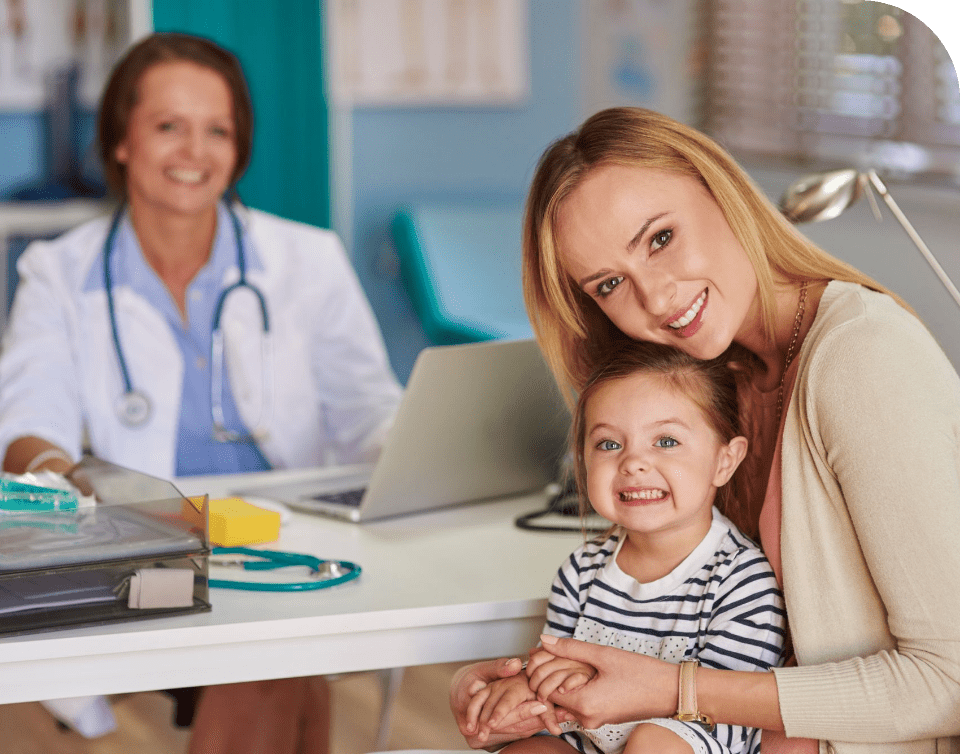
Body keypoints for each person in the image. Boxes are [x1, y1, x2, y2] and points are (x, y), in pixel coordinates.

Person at [451, 107, 960, 754]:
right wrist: (506, 685)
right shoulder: (705, 382)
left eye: (660, 238)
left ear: (722, 191)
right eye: (611, 284)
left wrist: (677, 690)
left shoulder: (863, 358)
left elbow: (951, 681)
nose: (658, 300)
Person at [0, 32, 402, 754]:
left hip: (284, 536)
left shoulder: (306, 260)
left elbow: (369, 411)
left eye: (217, 130)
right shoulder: (58, 274)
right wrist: (84, 489)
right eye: (168, 126)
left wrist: (409, 461)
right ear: (121, 141)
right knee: (278, 660)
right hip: (141, 542)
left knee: (272, 655)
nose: (195, 151)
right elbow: (28, 428)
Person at [471, 342, 785, 754]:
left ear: (724, 461)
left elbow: (726, 709)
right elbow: (550, 677)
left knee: (653, 743)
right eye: (608, 444)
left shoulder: (742, 581)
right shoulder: (581, 571)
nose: (633, 462)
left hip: (687, 741)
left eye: (667, 441)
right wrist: (526, 689)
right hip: (585, 737)